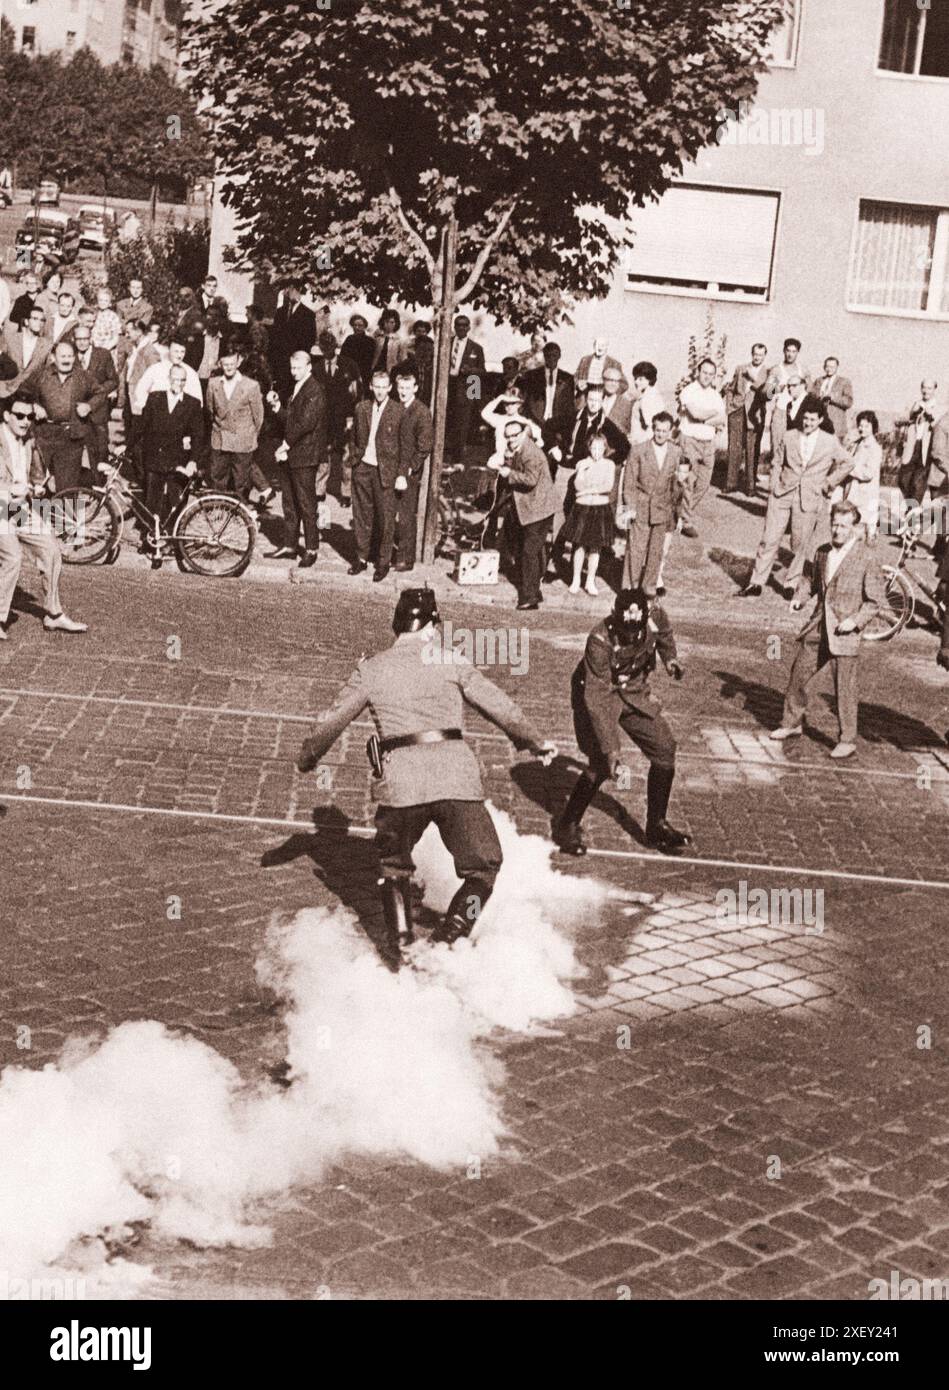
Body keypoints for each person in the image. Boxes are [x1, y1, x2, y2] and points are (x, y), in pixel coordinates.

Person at [296, 587, 556, 965]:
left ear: (397, 625)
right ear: (434, 625)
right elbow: (501, 706)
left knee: (394, 868)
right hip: (456, 781)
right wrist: (535, 743)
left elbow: (331, 721)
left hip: (401, 786)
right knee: (484, 869)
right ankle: (451, 936)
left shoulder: (372, 668)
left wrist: (308, 758)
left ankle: (401, 949)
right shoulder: (451, 660)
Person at [552, 587, 689, 856]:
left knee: (664, 749)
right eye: (625, 632)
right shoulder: (599, 640)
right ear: (615, 619)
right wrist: (612, 750)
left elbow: (664, 635)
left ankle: (657, 825)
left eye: (635, 632)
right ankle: (566, 825)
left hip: (634, 693)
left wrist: (670, 659)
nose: (631, 637)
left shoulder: (655, 616)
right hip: (597, 694)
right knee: (601, 763)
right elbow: (598, 698)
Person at [770, 501, 886, 760]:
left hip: (845, 632)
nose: (837, 531)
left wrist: (855, 621)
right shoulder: (823, 552)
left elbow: (875, 602)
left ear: (854, 528)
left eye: (843, 526)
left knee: (844, 687)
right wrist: (800, 597)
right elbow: (811, 580)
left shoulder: (867, 557)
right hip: (819, 626)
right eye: (834, 524)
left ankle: (847, 739)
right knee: (798, 673)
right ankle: (791, 722)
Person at [741, 398, 852, 599]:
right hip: (782, 494)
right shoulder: (789, 436)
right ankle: (755, 582)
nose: (807, 423)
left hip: (809, 498)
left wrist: (828, 483)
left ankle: (790, 584)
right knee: (769, 539)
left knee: (799, 545)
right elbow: (776, 462)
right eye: (805, 418)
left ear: (820, 420)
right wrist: (774, 484)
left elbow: (847, 463)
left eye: (812, 419)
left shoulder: (829, 441)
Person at [0, 392, 87, 640]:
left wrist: (39, 485)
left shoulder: (28, 440)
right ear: (7, 416)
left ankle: (54, 613)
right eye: (19, 416)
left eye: (29, 416)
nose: (25, 421)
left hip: (15, 509)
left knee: (50, 550)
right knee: (12, 556)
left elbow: (37, 475)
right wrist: (9, 488)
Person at [488, 417, 557, 611]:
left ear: (524, 433)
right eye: (508, 436)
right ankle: (533, 589)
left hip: (539, 509)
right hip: (529, 506)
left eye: (515, 435)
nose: (511, 440)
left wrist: (507, 473)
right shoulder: (520, 449)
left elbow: (530, 479)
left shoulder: (531, 452)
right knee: (523, 547)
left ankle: (529, 598)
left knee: (529, 552)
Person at [266, 350, 328, 567]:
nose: (294, 372)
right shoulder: (298, 387)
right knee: (289, 502)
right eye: (292, 368)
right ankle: (290, 545)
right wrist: (277, 408)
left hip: (304, 455)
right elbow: (292, 420)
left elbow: (305, 424)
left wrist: (284, 445)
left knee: (306, 503)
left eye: (298, 368)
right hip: (292, 453)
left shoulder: (314, 390)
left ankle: (311, 549)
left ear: (308, 367)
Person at [139, 364, 206, 556]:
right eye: (175, 379)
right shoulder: (155, 398)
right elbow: (141, 426)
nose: (179, 383)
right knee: (152, 500)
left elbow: (198, 435)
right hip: (155, 457)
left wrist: (193, 460)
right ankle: (150, 538)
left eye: (182, 380)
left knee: (177, 500)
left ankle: (173, 540)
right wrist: (125, 446)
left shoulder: (192, 404)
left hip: (178, 460)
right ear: (169, 379)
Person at [349, 368, 404, 580]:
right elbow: (354, 437)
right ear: (371, 387)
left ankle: (383, 562)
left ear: (390, 388)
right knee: (362, 515)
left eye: (384, 387)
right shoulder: (361, 408)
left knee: (385, 519)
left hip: (385, 472)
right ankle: (361, 558)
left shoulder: (398, 411)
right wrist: (355, 460)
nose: (380, 391)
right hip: (363, 467)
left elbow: (404, 446)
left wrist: (400, 473)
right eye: (376, 387)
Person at [619, 411, 681, 594]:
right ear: (653, 429)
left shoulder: (676, 452)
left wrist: (677, 513)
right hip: (640, 507)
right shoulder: (639, 450)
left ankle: (649, 588)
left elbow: (678, 486)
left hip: (662, 509)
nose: (661, 434)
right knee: (636, 550)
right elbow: (628, 483)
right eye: (657, 430)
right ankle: (629, 588)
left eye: (664, 431)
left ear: (670, 431)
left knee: (656, 552)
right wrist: (628, 511)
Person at [32, 340, 99, 494]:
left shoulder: (83, 376)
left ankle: (68, 518)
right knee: (39, 481)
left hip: (71, 435)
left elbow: (100, 392)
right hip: (44, 433)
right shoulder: (42, 374)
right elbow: (24, 392)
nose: (66, 359)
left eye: (70, 356)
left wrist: (89, 406)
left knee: (69, 484)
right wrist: (35, 405)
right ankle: (41, 516)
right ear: (53, 357)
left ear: (75, 358)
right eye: (62, 356)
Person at [557, 431, 615, 597]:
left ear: (605, 448)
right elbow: (578, 486)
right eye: (593, 448)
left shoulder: (609, 465)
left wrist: (590, 491)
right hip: (582, 508)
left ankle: (590, 581)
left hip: (600, 509)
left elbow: (608, 487)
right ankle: (576, 580)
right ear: (589, 448)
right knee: (579, 546)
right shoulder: (582, 463)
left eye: (600, 448)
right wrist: (582, 473)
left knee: (595, 548)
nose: (597, 451)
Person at [206, 347, 265, 500]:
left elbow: (258, 418)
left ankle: (240, 516)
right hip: (220, 440)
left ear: (238, 362)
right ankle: (218, 513)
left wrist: (248, 435)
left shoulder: (251, 386)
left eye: (232, 363)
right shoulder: (213, 384)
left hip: (242, 442)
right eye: (225, 364)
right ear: (220, 364)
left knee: (241, 484)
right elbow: (210, 411)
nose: (229, 367)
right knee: (217, 480)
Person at [677, 357, 726, 533]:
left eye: (711, 374)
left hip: (708, 443)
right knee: (687, 482)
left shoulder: (715, 395)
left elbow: (722, 419)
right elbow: (695, 413)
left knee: (704, 484)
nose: (707, 376)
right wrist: (711, 415)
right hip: (689, 440)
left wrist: (704, 417)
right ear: (698, 372)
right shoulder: (689, 391)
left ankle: (682, 513)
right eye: (704, 372)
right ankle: (686, 521)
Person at [312, 330, 361, 505]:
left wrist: (352, 417)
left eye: (330, 346)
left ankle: (346, 493)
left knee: (346, 455)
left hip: (345, 418)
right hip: (325, 419)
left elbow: (357, 393)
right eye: (324, 347)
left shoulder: (349, 365)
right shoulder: (316, 369)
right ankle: (319, 491)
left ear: (335, 346)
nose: (327, 350)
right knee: (323, 455)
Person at [394, 366, 433, 572]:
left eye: (407, 388)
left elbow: (425, 446)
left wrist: (410, 469)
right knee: (390, 512)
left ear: (415, 388)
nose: (403, 391)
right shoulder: (395, 408)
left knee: (406, 515)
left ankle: (405, 558)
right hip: (391, 468)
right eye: (400, 387)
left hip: (408, 472)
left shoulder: (421, 412)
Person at [70, 323, 119, 473]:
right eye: (79, 339)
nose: (82, 342)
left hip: (98, 412)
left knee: (100, 454)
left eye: (85, 338)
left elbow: (113, 381)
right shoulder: (70, 356)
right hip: (76, 412)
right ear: (73, 339)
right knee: (76, 454)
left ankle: (100, 492)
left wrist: (99, 392)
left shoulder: (103, 355)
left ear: (91, 338)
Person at [725, 343, 769, 494]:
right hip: (737, 411)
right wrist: (729, 408)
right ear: (751, 354)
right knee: (734, 447)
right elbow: (730, 388)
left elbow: (768, 394)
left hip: (755, 415)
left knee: (752, 450)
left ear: (764, 356)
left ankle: (751, 486)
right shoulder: (740, 368)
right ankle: (731, 483)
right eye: (755, 354)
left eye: (761, 355)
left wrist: (754, 379)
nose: (757, 357)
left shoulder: (769, 373)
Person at [521, 342, 575, 459]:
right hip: (536, 423)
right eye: (548, 355)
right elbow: (526, 404)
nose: (551, 359)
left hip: (557, 428)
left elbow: (569, 407)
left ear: (559, 356)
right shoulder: (532, 376)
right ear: (544, 356)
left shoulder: (567, 379)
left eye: (554, 355)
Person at [836, 410, 882, 538]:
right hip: (851, 490)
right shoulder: (856, 444)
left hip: (865, 494)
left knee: (861, 528)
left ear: (873, 427)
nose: (862, 429)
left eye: (866, 426)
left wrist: (849, 469)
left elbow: (868, 473)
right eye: (860, 425)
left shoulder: (874, 448)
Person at [445, 315, 485, 463]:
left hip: (465, 389)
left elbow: (482, 372)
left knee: (462, 424)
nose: (461, 328)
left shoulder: (476, 348)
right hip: (447, 387)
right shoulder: (446, 344)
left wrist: (471, 371)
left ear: (469, 328)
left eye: (464, 325)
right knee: (445, 422)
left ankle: (457, 460)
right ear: (454, 327)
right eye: (458, 325)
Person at [766, 339, 810, 472]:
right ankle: (774, 488)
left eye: (794, 351)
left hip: (798, 414)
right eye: (788, 351)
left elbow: (810, 392)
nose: (790, 354)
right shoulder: (776, 370)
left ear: (798, 353)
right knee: (777, 450)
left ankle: (789, 486)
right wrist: (779, 387)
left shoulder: (803, 370)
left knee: (795, 451)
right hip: (780, 413)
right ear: (784, 351)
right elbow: (768, 394)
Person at [133, 336, 202, 412]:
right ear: (168, 350)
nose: (179, 356)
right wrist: (149, 408)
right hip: (157, 415)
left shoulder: (191, 373)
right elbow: (140, 390)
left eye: (182, 352)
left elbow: (198, 399)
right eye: (176, 351)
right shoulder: (155, 369)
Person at [270, 286, 316, 396]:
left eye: (291, 290)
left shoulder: (308, 314)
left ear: (299, 292)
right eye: (288, 290)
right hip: (280, 360)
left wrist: (299, 357)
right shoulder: (280, 312)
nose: (288, 293)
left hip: (296, 361)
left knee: (292, 391)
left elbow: (310, 339)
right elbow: (274, 336)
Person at [1, 303, 50, 395]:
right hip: (7, 390)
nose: (39, 323)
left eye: (42, 320)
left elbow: (48, 372)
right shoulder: (10, 339)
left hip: (31, 393)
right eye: (35, 319)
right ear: (26, 321)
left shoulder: (47, 345)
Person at [626, 361, 665, 445]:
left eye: (640, 379)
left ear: (650, 379)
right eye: (635, 379)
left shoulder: (648, 398)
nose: (636, 382)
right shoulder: (652, 394)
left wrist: (639, 442)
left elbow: (652, 426)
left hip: (643, 443)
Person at [816, 356, 854, 441]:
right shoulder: (818, 381)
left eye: (832, 367)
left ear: (837, 367)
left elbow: (849, 402)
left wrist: (832, 397)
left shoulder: (844, 382)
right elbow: (812, 397)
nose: (829, 369)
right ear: (824, 367)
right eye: (827, 366)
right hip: (819, 424)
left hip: (836, 426)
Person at [339, 312, 376, 392]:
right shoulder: (349, 339)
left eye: (360, 325)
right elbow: (342, 357)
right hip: (350, 373)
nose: (357, 327)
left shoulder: (370, 341)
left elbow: (371, 359)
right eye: (355, 325)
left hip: (365, 373)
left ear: (365, 326)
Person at [370, 309, 404, 379]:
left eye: (392, 322)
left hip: (391, 370)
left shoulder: (399, 340)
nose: (389, 325)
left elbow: (402, 359)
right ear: (382, 322)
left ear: (396, 323)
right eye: (386, 322)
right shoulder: (376, 337)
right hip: (376, 368)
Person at [91, 288, 122, 357]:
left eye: (106, 301)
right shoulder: (93, 314)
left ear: (110, 303)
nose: (103, 303)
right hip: (93, 349)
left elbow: (115, 338)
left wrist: (105, 349)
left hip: (108, 350)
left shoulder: (113, 317)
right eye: (101, 300)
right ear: (97, 301)